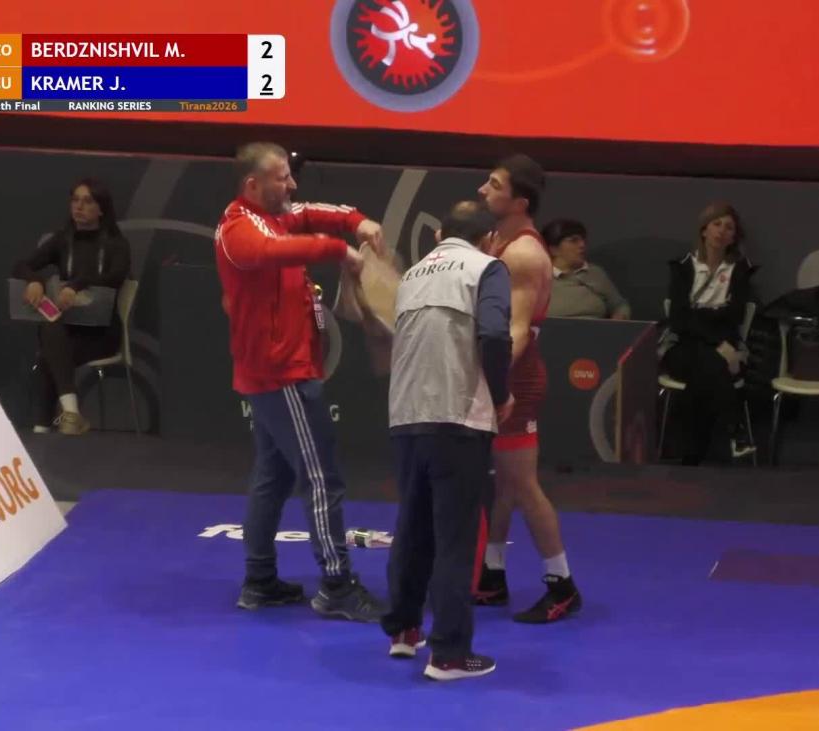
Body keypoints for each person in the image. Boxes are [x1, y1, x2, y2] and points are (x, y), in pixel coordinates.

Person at [217, 141, 387, 622]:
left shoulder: (273, 215)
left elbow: (311, 212)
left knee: (273, 477)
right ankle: (336, 586)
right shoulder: (241, 229)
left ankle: (259, 581)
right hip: (281, 375)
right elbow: (273, 250)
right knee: (321, 478)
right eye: (282, 178)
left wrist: (355, 221)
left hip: (278, 369)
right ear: (253, 184)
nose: (292, 185)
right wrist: (339, 251)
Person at [382, 200, 513, 681]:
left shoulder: (412, 274)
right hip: (458, 416)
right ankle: (450, 655)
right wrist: (501, 393)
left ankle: (404, 631)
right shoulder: (487, 268)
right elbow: (495, 334)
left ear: (440, 234)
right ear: (490, 239)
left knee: (412, 527)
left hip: (406, 415)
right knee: (456, 539)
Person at [473, 154, 582, 623]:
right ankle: (492, 576)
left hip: (515, 377)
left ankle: (562, 585)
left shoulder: (522, 255)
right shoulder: (500, 241)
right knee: (503, 484)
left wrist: (492, 383)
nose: (483, 190)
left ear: (519, 202)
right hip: (505, 373)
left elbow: (514, 332)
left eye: (494, 185)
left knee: (522, 484)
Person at [14, 178, 131, 436]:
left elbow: (115, 277)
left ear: (101, 209)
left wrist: (76, 285)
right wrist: (34, 281)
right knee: (52, 332)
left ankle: (42, 428)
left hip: (101, 334)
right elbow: (22, 265)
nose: (79, 206)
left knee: (49, 351)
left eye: (87, 201)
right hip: (67, 331)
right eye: (75, 200)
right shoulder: (62, 240)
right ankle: (70, 414)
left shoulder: (116, 244)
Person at [660, 202, 753, 465]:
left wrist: (700, 318)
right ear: (704, 230)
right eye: (716, 224)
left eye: (729, 227)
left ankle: (690, 455)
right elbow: (678, 320)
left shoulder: (739, 269)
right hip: (685, 348)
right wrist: (716, 335)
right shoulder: (682, 266)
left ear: (734, 237)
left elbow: (734, 316)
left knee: (708, 368)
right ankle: (736, 428)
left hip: (719, 347)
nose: (721, 231)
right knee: (715, 364)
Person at [542, 219, 630, 319]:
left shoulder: (595, 273)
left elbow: (620, 305)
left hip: (595, 328)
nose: (582, 245)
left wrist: (619, 318)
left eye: (583, 240)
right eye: (574, 241)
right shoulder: (539, 278)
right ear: (554, 249)